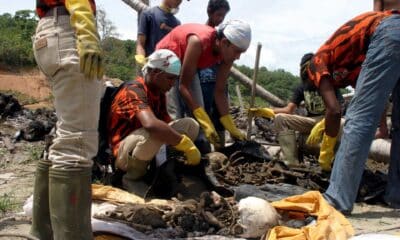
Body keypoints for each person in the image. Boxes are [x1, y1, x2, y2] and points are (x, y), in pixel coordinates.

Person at [304, 8, 400, 213]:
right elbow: (376, 98)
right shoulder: (352, 67)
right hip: (394, 31)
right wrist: (383, 128)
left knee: (356, 120)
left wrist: (327, 148)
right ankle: (396, 196)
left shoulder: (316, 62)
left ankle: (336, 201)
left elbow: (335, 111)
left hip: (390, 30)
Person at [31, 0, 103, 239]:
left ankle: (44, 231)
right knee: (78, 141)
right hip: (68, 28)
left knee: (66, 135)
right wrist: (87, 31)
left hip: (52, 32)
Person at [107, 49, 201, 195]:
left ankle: (164, 167)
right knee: (157, 132)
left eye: (175, 79)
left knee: (190, 125)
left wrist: (179, 139)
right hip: (122, 153)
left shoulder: (158, 92)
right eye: (170, 78)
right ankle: (132, 178)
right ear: (155, 72)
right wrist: (185, 144)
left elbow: (167, 122)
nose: (173, 84)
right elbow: (151, 125)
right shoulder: (133, 90)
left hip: (143, 144)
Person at [156, 20, 251, 153]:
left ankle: (199, 149)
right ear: (224, 42)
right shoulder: (198, 42)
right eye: (237, 52)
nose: (238, 57)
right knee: (174, 113)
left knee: (199, 109)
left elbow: (219, 91)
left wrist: (230, 125)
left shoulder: (227, 56)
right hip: (167, 60)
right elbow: (183, 86)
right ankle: (171, 154)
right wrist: (203, 119)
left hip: (188, 63)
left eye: (242, 53)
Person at [249, 53, 345, 169]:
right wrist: (265, 111)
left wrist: (324, 123)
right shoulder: (301, 87)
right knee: (280, 119)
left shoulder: (327, 83)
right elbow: (288, 110)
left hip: (328, 121)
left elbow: (338, 109)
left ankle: (333, 161)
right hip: (310, 121)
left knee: (342, 122)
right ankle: (293, 164)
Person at [198, 0, 231, 148]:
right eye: (218, 15)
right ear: (209, 12)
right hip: (205, 81)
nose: (220, 19)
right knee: (206, 116)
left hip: (218, 82)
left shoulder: (222, 35)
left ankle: (221, 151)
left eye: (223, 16)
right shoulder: (202, 35)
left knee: (219, 118)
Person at [135, 0, 184, 66]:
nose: (180, 1)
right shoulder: (148, 14)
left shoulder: (177, 23)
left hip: (170, 69)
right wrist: (143, 61)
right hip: (151, 66)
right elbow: (140, 44)